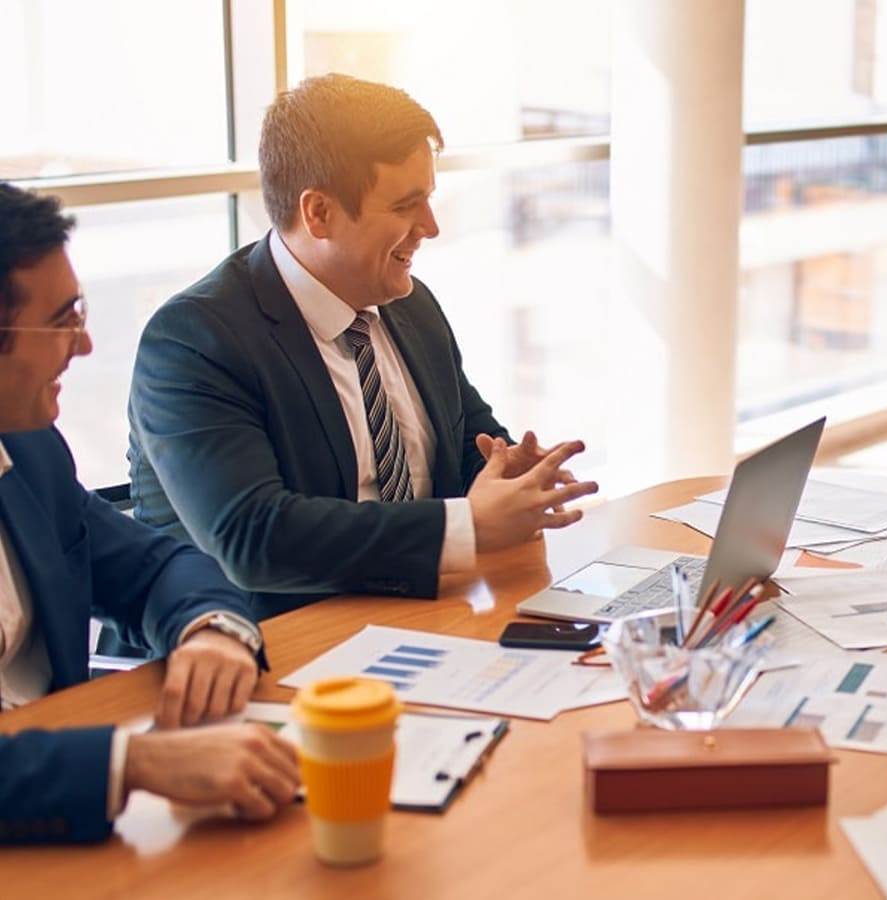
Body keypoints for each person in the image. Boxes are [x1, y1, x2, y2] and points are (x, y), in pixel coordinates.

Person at [127, 74, 598, 619]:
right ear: (319, 213)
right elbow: (252, 537)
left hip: (425, 614)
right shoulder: (195, 340)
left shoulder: (409, 303)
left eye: (429, 199)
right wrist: (468, 527)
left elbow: (471, 439)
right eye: (406, 206)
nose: (432, 227)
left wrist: (512, 477)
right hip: (266, 646)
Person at [0, 183, 298, 844]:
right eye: (61, 319)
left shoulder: (28, 449)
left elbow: (154, 565)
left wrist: (211, 628)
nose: (83, 346)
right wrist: (134, 762)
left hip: (72, 827)